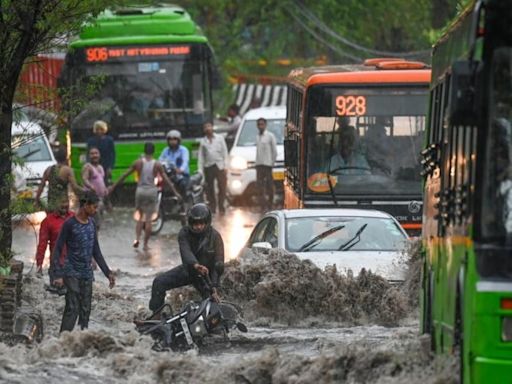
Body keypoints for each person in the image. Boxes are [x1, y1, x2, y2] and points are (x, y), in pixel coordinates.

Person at [52, 191, 116, 332]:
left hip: (86, 273)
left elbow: (96, 251)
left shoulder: (92, 224)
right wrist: (57, 274)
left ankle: (82, 339)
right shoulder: (70, 224)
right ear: (85, 205)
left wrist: (108, 272)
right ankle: (63, 339)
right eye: (94, 206)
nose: (95, 210)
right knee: (72, 307)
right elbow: (57, 248)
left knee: (85, 309)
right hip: (71, 272)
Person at [149, 203, 224, 315]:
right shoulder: (184, 233)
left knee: (211, 301)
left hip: (205, 275)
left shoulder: (215, 237)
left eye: (201, 223)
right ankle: (156, 315)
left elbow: (218, 264)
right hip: (189, 270)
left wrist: (214, 287)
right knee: (158, 282)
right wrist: (195, 265)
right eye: (195, 224)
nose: (198, 227)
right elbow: (186, 252)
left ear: (207, 222)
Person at [109, 142, 180, 250]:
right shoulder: (157, 164)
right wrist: (175, 192)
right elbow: (166, 180)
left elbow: (124, 175)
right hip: (151, 191)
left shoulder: (138, 163)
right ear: (153, 151)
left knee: (139, 218)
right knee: (148, 220)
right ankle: (145, 245)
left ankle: (137, 239)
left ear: (144, 150)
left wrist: (113, 187)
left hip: (140, 191)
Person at [35, 197, 74, 287]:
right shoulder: (48, 221)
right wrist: (39, 264)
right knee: (57, 296)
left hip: (74, 265)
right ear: (55, 204)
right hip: (57, 266)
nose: (64, 205)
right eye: (61, 202)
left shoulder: (74, 217)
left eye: (66, 202)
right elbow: (42, 244)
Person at [34, 147, 83, 211]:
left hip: (51, 204)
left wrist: (36, 200)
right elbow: (75, 187)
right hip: (63, 204)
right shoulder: (68, 170)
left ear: (56, 158)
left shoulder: (48, 169)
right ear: (66, 157)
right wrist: (85, 193)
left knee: (52, 220)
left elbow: (41, 186)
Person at [198, 121, 228, 215]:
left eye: (209, 126)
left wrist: (226, 166)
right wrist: (200, 170)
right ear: (204, 130)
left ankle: (221, 206)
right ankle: (213, 207)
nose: (208, 128)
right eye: (206, 127)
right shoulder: (203, 142)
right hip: (208, 166)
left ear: (212, 127)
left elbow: (225, 153)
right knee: (209, 188)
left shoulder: (220, 138)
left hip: (219, 166)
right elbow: (201, 157)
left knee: (222, 187)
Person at [81, 147, 108, 229]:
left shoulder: (100, 167)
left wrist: (105, 189)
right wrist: (90, 186)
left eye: (96, 153)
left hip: (100, 198)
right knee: (91, 223)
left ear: (99, 155)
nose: (94, 155)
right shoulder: (88, 167)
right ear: (89, 156)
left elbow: (101, 181)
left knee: (98, 223)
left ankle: (95, 239)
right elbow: (84, 179)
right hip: (90, 199)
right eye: (92, 154)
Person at [159, 130, 190, 200]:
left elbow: (185, 161)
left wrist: (180, 170)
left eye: (174, 139)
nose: (172, 141)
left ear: (179, 140)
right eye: (170, 139)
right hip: (169, 175)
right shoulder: (166, 150)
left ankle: (183, 201)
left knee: (182, 184)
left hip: (182, 175)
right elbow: (160, 160)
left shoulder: (183, 150)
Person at [255, 117, 277, 212]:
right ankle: (262, 206)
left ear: (265, 125)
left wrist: (272, 162)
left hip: (267, 164)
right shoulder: (257, 136)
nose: (261, 126)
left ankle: (270, 204)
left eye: (262, 124)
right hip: (259, 164)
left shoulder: (270, 136)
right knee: (260, 186)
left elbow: (274, 151)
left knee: (269, 186)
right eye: (259, 124)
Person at [86, 120, 115, 186]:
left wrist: (110, 167)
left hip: (106, 165)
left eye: (101, 129)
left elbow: (112, 154)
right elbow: (88, 154)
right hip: (94, 166)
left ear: (104, 130)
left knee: (106, 184)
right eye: (97, 129)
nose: (99, 131)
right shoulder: (91, 141)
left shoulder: (109, 140)